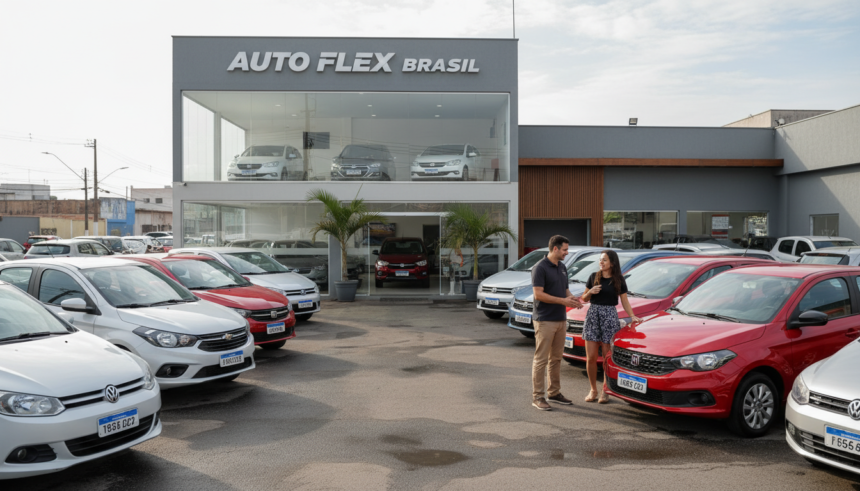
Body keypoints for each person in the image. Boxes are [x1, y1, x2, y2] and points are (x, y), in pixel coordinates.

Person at [581, 250, 642, 404]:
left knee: (607, 357)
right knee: (591, 358)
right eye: (600, 260)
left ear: (612, 263)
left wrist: (632, 316)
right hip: (593, 315)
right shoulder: (593, 277)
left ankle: (605, 390)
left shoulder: (619, 279)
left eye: (604, 260)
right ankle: (593, 389)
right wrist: (591, 293)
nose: (601, 262)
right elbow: (584, 297)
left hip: (609, 316)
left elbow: (625, 301)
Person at [531, 235, 583, 411]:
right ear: (555, 249)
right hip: (545, 320)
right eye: (565, 250)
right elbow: (538, 294)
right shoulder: (540, 268)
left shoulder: (562, 267)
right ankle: (538, 397)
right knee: (541, 360)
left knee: (556, 359)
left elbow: (565, 289)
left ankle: (553, 392)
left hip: (560, 319)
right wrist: (563, 301)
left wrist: (571, 298)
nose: (566, 253)